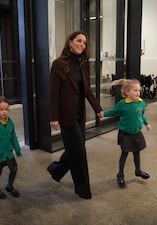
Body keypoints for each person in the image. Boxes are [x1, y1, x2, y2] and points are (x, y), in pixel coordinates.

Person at [46, 31, 104, 199]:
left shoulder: (82, 64)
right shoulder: (58, 64)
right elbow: (53, 93)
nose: (82, 44)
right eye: (79, 41)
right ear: (70, 42)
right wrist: (53, 117)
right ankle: (83, 189)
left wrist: (97, 108)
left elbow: (87, 91)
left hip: (80, 116)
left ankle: (56, 170)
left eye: (85, 42)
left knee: (74, 148)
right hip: (66, 117)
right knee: (79, 152)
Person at [103, 79, 152, 188]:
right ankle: (120, 174)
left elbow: (141, 116)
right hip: (125, 134)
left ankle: (138, 170)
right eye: (135, 90)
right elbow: (113, 111)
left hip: (137, 133)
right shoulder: (123, 103)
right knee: (124, 153)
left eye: (139, 90)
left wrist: (147, 124)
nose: (138, 92)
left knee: (137, 152)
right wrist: (103, 114)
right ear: (127, 92)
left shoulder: (141, 103)